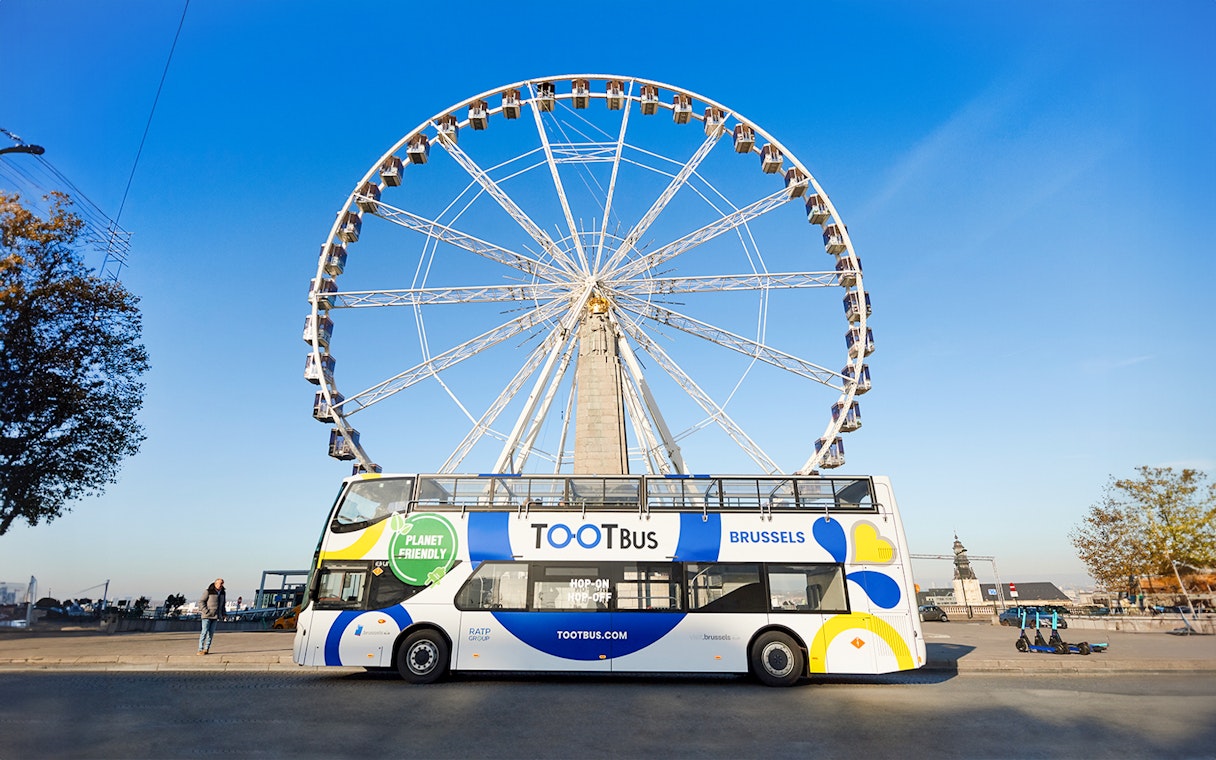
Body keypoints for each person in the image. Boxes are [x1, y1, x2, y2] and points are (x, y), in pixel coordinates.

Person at [197, 578, 226, 655]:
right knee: (204, 632)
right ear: (215, 584)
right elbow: (201, 602)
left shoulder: (222, 593)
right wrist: (206, 611)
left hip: (216, 616)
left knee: (211, 633)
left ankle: (206, 649)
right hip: (207, 616)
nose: (221, 585)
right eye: (220, 583)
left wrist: (223, 613)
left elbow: (223, 605)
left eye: (222, 583)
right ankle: (200, 649)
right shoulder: (208, 591)